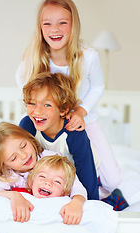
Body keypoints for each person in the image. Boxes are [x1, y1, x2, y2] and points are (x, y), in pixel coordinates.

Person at [15, 0, 122, 198]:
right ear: (40, 27)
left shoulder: (88, 57)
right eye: (47, 23)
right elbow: (22, 80)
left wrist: (81, 112)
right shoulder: (34, 55)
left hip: (83, 121)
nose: (54, 29)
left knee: (112, 180)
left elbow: (98, 87)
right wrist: (38, 107)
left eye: (62, 22)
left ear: (74, 25)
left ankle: (87, 187)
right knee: (14, 149)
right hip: (46, 122)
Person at [0, 121, 87, 224]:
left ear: (29, 138)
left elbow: (76, 186)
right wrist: (14, 195)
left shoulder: (53, 159)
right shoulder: (10, 175)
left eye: (23, 146)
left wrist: (77, 202)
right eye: (13, 158)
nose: (24, 155)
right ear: (5, 165)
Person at [19, 71, 99, 201]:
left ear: (63, 109)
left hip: (77, 175)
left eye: (47, 105)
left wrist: (91, 205)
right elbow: (18, 158)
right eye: (32, 103)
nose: (37, 111)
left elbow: (86, 171)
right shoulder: (28, 125)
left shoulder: (73, 132)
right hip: (48, 177)